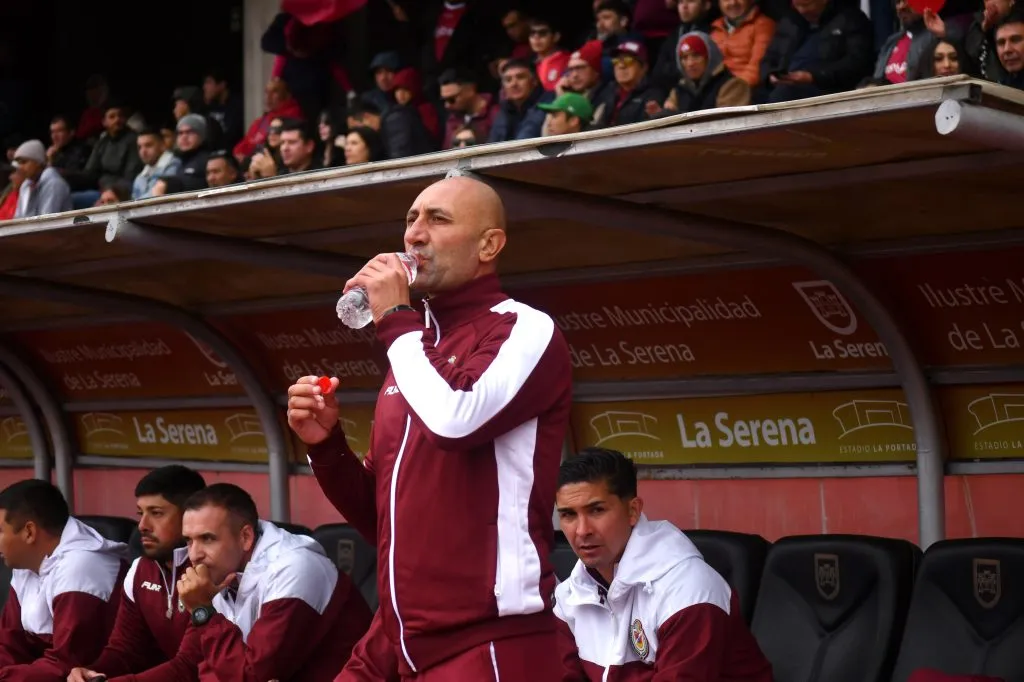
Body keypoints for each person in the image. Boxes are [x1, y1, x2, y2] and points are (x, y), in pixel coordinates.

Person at [287, 174, 574, 680]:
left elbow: (456, 420)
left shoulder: (523, 326)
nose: (414, 235)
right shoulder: (413, 351)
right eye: (411, 219)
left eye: (437, 220)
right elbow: (383, 519)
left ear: (490, 244)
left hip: (488, 637)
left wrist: (396, 319)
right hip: (397, 635)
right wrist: (327, 446)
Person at [553, 449, 773, 681]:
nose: (582, 530)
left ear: (633, 511)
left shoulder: (689, 591)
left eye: (597, 510)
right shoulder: (568, 596)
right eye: (568, 515)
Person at [175, 483, 371, 681]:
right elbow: (197, 664)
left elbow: (251, 675)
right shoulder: (219, 571)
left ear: (245, 537)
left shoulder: (293, 568)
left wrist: (204, 612)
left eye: (207, 539)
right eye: (189, 541)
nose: (194, 554)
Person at [67, 466, 207, 682]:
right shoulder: (141, 569)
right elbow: (125, 650)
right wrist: (91, 673)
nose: (142, 526)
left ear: (190, 517)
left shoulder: (211, 571)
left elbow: (191, 666)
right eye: (141, 514)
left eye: (156, 513)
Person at [0, 480, 130, 679]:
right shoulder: (26, 563)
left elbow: (67, 664)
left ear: (29, 532)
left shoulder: (82, 565)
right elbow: (8, 644)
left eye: (0, 531)